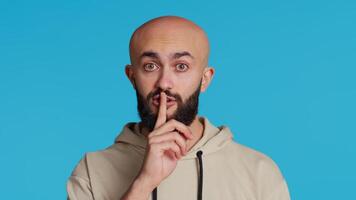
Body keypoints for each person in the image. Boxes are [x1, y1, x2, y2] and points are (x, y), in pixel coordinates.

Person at [67, 16, 291, 200]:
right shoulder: (91, 171)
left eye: (181, 66)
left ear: (205, 79)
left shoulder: (259, 172)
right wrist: (143, 183)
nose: (164, 82)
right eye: (150, 66)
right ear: (132, 77)